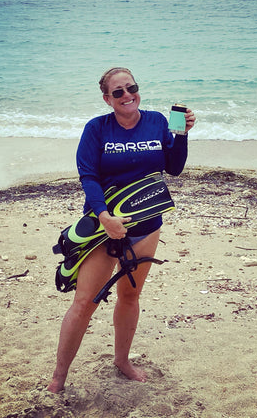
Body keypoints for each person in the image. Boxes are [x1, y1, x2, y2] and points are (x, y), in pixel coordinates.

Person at [47, 67, 196, 393]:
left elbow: (174, 167)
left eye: (132, 88)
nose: (128, 95)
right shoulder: (97, 129)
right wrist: (103, 216)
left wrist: (182, 134)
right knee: (85, 302)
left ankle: (122, 360)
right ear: (107, 98)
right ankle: (58, 378)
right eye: (119, 92)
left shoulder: (157, 121)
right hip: (104, 230)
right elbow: (88, 176)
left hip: (146, 226)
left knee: (130, 296)